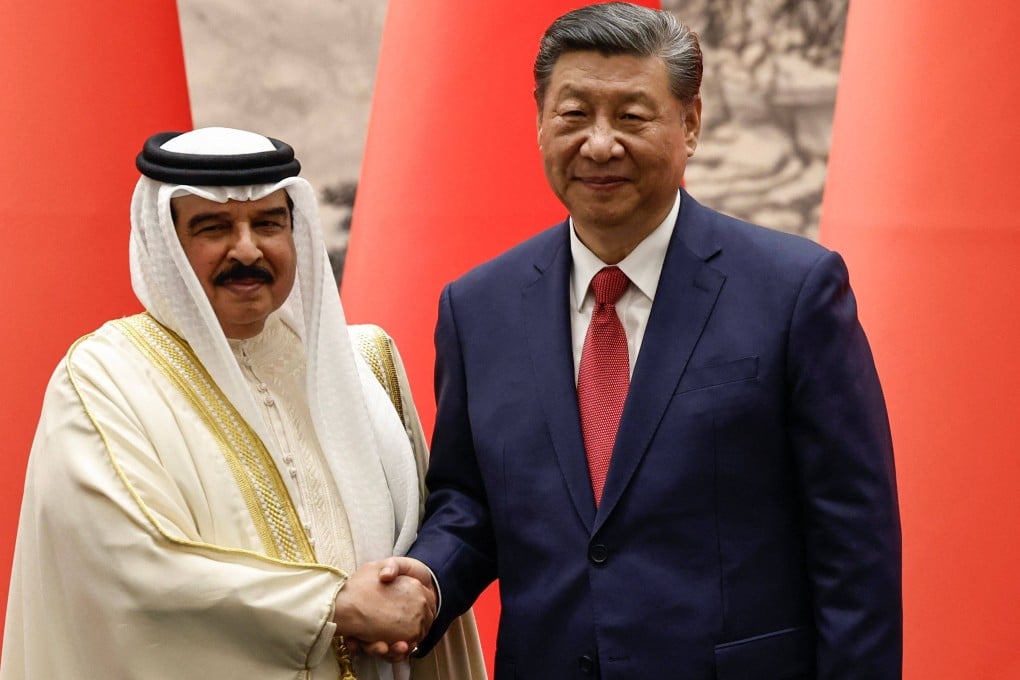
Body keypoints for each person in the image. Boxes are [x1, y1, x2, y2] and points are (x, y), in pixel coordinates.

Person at [391, 3, 902, 678]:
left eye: (631, 116)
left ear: (690, 124)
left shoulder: (794, 292)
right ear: (540, 121)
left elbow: (853, 548)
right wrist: (425, 582)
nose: (600, 145)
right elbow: (470, 502)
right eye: (574, 115)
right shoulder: (477, 307)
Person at [0, 127, 485, 680]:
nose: (249, 249)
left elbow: (435, 531)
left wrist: (415, 594)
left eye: (269, 223)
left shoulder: (362, 364)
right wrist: (330, 609)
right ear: (166, 245)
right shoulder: (106, 377)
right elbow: (128, 569)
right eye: (214, 227)